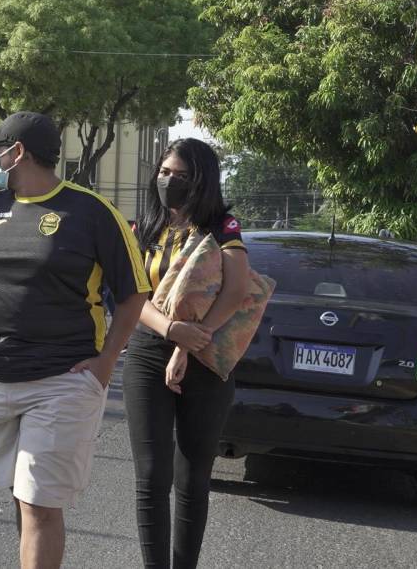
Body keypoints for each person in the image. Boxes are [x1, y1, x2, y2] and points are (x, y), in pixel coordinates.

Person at [0, 112, 150, 569]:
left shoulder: (92, 212)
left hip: (61, 379)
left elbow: (134, 294)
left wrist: (106, 361)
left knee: (39, 502)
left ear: (19, 153)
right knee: (22, 495)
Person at [124, 138, 250, 569]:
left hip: (205, 353)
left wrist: (190, 340)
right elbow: (132, 294)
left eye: (180, 175)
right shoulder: (146, 226)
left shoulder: (223, 227)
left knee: (192, 478)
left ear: (201, 180)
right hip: (147, 352)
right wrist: (169, 329)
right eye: (164, 172)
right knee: (151, 476)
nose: (169, 181)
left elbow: (237, 289)